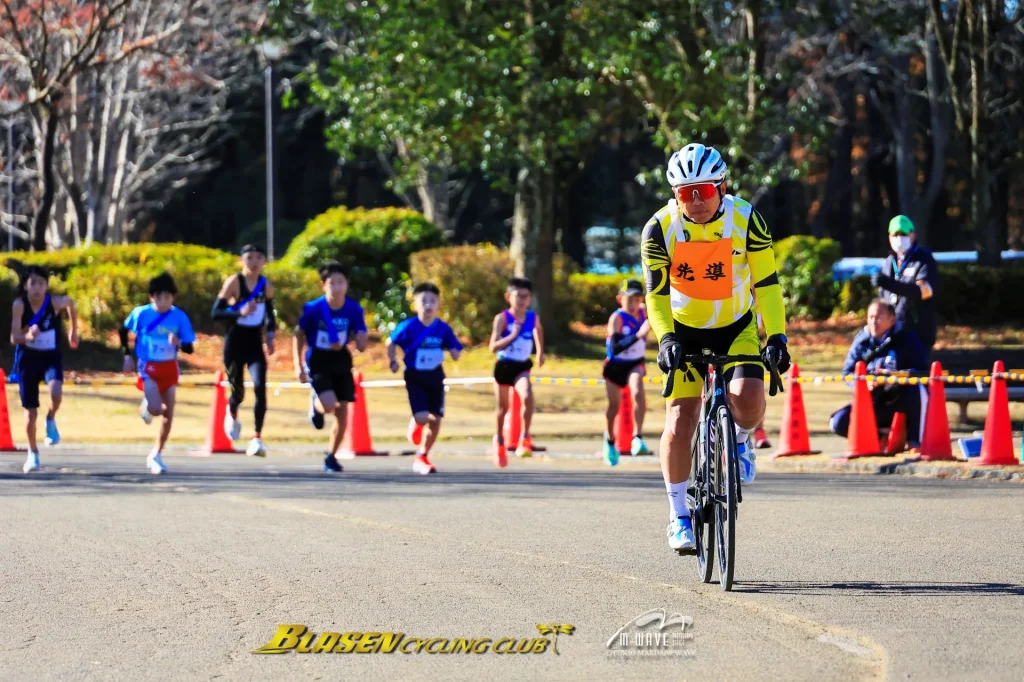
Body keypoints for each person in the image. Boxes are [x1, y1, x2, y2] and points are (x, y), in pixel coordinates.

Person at [640, 143, 790, 553]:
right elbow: (656, 294)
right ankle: (678, 515)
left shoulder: (747, 219)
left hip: (735, 326)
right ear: (674, 195)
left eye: (704, 190)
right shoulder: (659, 229)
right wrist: (666, 338)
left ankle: (739, 439)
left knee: (749, 397)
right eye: (685, 193)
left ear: (722, 186)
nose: (696, 200)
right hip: (683, 329)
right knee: (680, 418)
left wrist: (777, 336)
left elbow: (766, 284)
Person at [293, 261, 368, 473]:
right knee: (328, 405)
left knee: (342, 412)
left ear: (347, 284)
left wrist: (361, 340)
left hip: (341, 359)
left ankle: (331, 456)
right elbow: (298, 335)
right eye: (332, 283)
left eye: (340, 282)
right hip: (318, 359)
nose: (337, 287)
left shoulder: (353, 309)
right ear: (323, 285)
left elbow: (360, 336)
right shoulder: (313, 309)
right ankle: (316, 404)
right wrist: (298, 365)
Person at [120, 272, 196, 475]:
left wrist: (178, 343)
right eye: (158, 297)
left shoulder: (179, 317)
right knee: (156, 409)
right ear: (151, 297)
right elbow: (123, 330)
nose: (163, 302)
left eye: (167, 297)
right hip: (149, 367)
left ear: (173, 297)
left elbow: (189, 348)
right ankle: (148, 406)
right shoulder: (141, 314)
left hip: (169, 368)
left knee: (168, 415)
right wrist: (127, 355)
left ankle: (157, 454)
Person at [829, 298, 929, 448]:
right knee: (838, 422)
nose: (873, 322)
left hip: (901, 399)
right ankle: (880, 438)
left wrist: (892, 378)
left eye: (878, 317)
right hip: (872, 400)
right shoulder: (861, 342)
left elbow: (921, 371)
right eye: (870, 317)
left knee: (917, 389)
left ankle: (914, 441)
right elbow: (848, 373)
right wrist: (863, 383)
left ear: (892, 319)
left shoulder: (908, 339)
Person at [387, 282, 464, 475]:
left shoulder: (443, 328)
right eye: (424, 301)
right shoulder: (408, 326)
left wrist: (455, 352)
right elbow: (390, 342)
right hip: (415, 375)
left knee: (436, 420)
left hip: (435, 376)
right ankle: (416, 422)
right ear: (415, 304)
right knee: (423, 417)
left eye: (432, 301)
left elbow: (455, 348)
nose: (428, 305)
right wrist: (393, 360)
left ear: (438, 304)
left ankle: (422, 455)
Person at [9, 266, 79, 473]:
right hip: (28, 359)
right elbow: (14, 337)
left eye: (41, 283)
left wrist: (73, 331)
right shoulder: (20, 305)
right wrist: (27, 337)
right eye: (33, 284)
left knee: (56, 392)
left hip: (50, 357)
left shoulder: (54, 303)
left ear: (47, 286)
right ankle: (33, 453)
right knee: (30, 413)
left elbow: (70, 302)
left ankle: (50, 418)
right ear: (26, 286)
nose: (37, 288)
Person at [212, 244, 277, 458]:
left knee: (260, 386)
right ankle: (232, 411)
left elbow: (270, 313)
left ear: (264, 261)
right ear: (242, 260)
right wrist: (239, 312)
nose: (254, 262)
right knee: (237, 392)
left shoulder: (266, 286)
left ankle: (256, 437)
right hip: (234, 343)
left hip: (254, 344)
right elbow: (216, 313)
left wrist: (270, 335)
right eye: (250, 258)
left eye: (259, 258)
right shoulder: (234, 282)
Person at [488, 277, 545, 467]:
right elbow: (493, 347)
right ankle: (500, 441)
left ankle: (524, 437)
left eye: (525, 296)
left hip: (521, 366)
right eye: (518, 296)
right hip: (504, 365)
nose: (521, 300)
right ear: (508, 297)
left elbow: (538, 330)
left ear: (530, 298)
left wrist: (540, 351)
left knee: (527, 396)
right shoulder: (502, 318)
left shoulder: (532, 317)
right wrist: (512, 335)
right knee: (502, 408)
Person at [871, 215, 938, 354]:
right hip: (892, 334)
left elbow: (925, 291)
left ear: (912, 235)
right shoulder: (890, 261)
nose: (899, 238)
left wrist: (890, 284)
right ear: (889, 237)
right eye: (895, 234)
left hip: (918, 334)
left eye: (903, 234)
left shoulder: (923, 259)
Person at [601, 278, 651, 466]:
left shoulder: (644, 312)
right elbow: (615, 348)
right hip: (615, 366)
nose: (633, 304)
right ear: (619, 299)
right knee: (613, 407)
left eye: (637, 299)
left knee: (637, 392)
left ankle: (637, 438)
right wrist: (639, 335)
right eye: (629, 299)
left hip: (635, 364)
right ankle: (610, 441)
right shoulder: (617, 318)